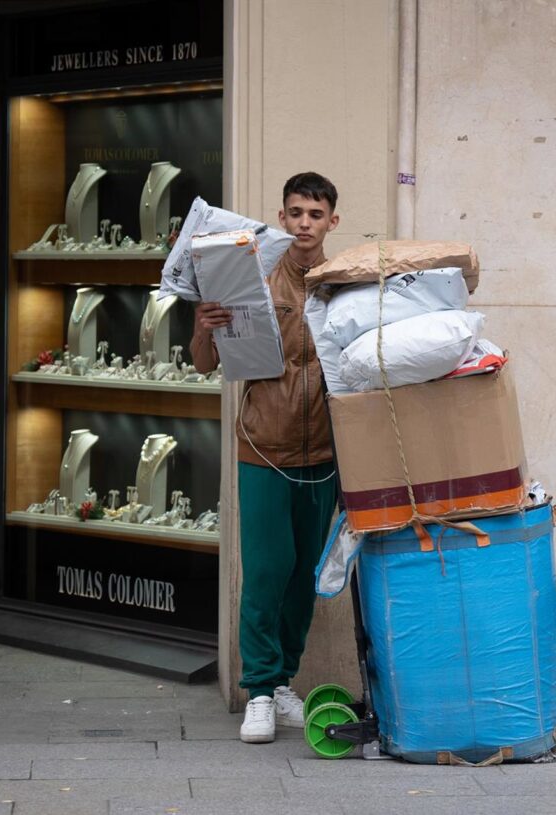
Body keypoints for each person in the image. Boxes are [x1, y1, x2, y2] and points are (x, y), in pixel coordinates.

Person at [189, 172, 340, 744]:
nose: (305, 223)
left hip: (324, 454)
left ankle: (283, 683)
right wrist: (204, 326)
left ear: (332, 222)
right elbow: (206, 363)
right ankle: (257, 689)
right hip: (262, 449)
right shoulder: (252, 276)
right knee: (267, 572)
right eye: (296, 213)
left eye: (315, 214)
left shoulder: (340, 285)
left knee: (304, 577)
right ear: (282, 218)